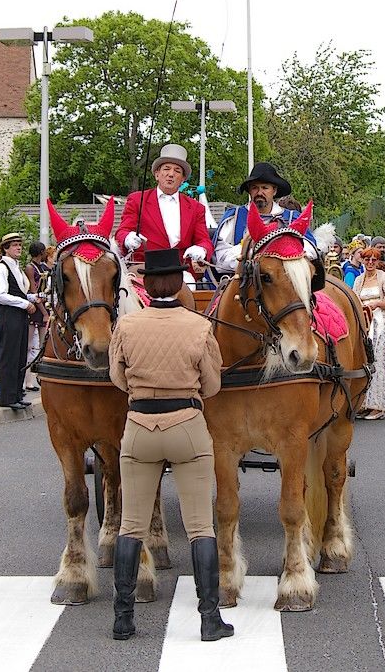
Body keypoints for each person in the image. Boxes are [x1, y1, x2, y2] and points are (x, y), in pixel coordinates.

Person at [108, 248, 233, 643]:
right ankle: (209, 619)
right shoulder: (198, 327)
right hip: (188, 426)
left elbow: (117, 378)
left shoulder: (127, 326)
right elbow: (213, 386)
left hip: (140, 425)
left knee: (131, 525)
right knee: (199, 526)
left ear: (145, 283)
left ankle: (124, 618)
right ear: (179, 283)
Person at [115, 144, 213, 282]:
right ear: (157, 174)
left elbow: (204, 240)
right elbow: (122, 232)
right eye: (166, 169)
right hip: (144, 271)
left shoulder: (196, 208)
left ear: (183, 179)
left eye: (177, 171)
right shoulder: (137, 200)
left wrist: (202, 249)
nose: (171, 174)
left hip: (182, 273)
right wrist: (127, 238)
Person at [213, 162, 316, 275]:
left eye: (265, 188)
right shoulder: (234, 217)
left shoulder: (292, 218)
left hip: (284, 282)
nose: (259, 192)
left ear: (274, 191)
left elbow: (310, 251)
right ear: (249, 191)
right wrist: (250, 253)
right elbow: (221, 258)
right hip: (239, 283)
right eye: (255, 188)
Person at [0, 233, 39, 409]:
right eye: (14, 245)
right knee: (9, 356)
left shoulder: (16, 267)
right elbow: (1, 295)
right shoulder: (0, 268)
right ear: (5, 248)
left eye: (19, 244)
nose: (18, 247)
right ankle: (7, 397)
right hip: (7, 315)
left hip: (18, 315)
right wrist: (25, 303)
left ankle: (17, 394)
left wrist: (33, 298)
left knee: (19, 356)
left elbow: (17, 292)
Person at [353, 248, 385, 419]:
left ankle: (379, 406)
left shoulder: (383, 278)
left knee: (379, 364)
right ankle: (365, 403)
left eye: (373, 260)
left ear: (378, 262)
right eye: (367, 260)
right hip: (364, 324)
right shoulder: (359, 280)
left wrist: (379, 303)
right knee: (364, 364)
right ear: (363, 261)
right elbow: (354, 299)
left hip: (380, 325)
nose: (370, 263)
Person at [24, 241, 48, 391]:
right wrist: (45, 312)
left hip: (44, 306)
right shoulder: (30, 268)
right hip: (35, 309)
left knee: (43, 346)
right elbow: (33, 291)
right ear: (40, 252)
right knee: (28, 346)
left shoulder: (44, 267)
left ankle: (42, 377)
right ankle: (27, 380)